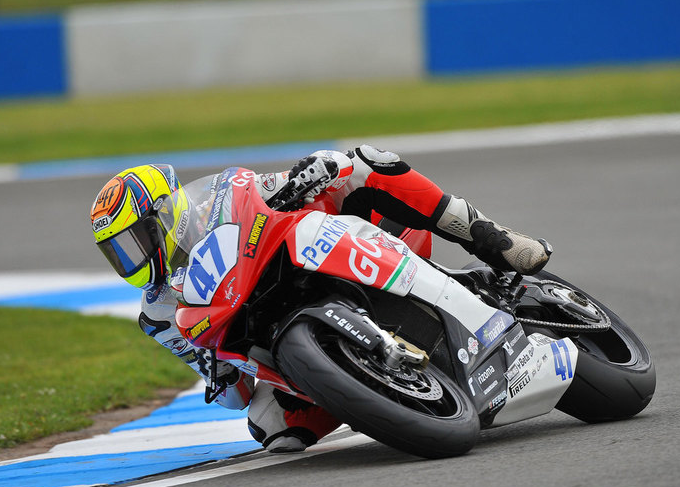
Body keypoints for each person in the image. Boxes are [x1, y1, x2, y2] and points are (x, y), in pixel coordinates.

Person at [89, 145, 551, 453]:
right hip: (273, 328)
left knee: (366, 161)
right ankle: (378, 391)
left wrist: (314, 172)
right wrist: (220, 370)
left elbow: (278, 185)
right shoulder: (158, 314)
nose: (130, 259)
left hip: (329, 248)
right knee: (272, 428)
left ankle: (488, 237)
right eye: (118, 254)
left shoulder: (219, 199)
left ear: (163, 215)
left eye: (132, 242)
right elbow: (233, 396)